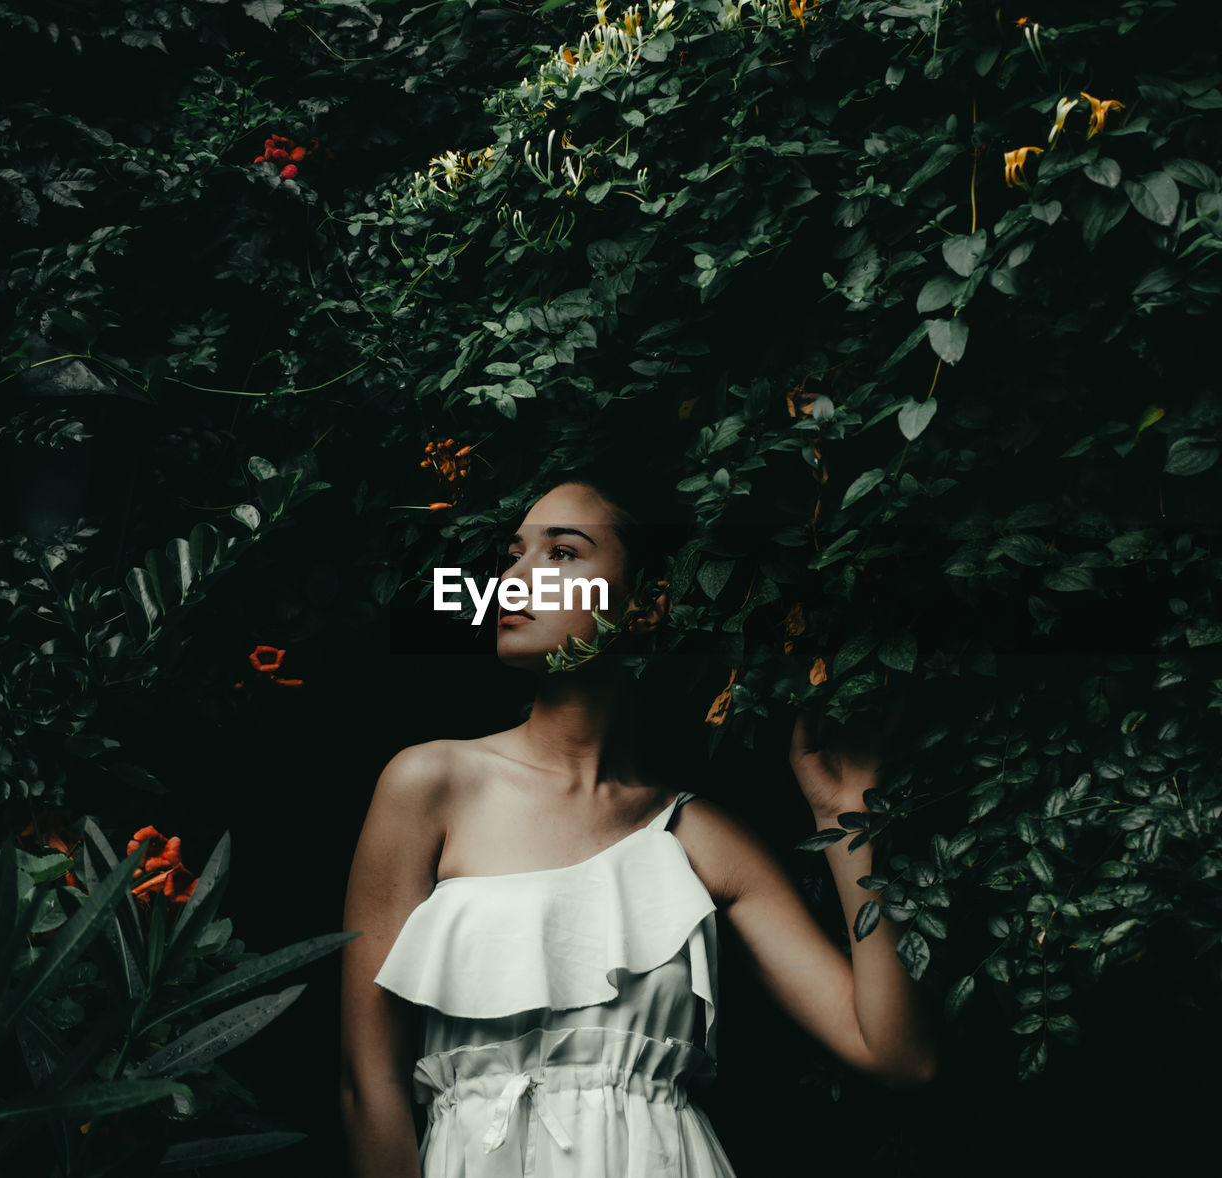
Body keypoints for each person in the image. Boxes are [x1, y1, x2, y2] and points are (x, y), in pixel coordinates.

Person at [340, 474, 938, 1177]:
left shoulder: (700, 838)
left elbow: (899, 1056)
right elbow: (366, 1085)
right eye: (512, 553)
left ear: (650, 604)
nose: (515, 577)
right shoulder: (430, 785)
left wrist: (848, 814)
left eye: (562, 553)